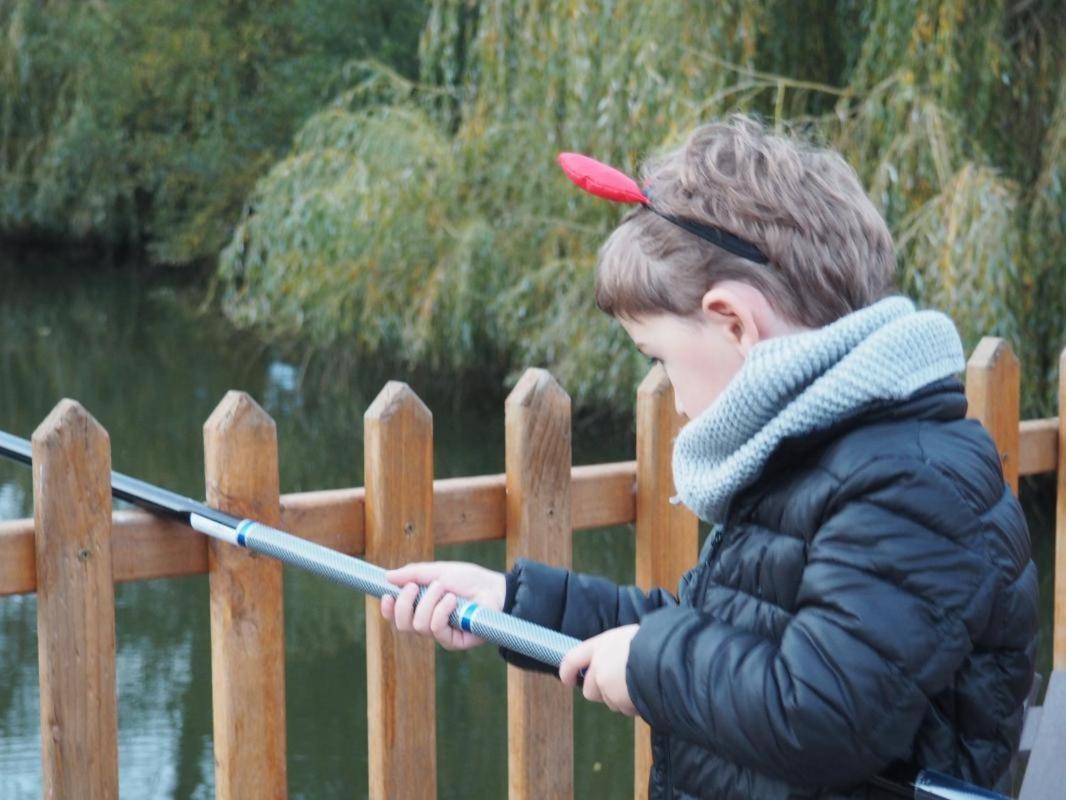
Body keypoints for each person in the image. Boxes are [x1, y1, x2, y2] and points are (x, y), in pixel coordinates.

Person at [379, 116, 1038, 798]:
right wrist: (513, 602)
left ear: (733, 322)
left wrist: (649, 664)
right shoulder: (820, 455)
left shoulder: (910, 481)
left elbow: (822, 712)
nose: (676, 397)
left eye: (660, 358)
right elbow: (717, 636)